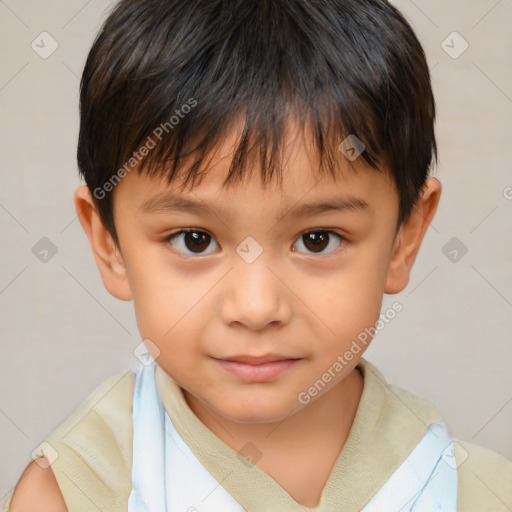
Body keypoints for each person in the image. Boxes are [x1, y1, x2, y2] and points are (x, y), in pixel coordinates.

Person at [6, 0, 512, 510]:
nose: (255, 307)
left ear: (405, 237)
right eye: (194, 239)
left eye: (317, 239)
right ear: (108, 243)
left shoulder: (474, 490)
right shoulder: (73, 493)